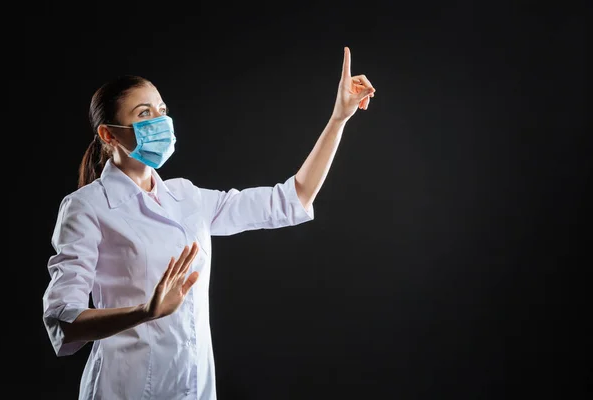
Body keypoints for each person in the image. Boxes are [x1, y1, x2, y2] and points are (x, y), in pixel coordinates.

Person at [42, 46, 376, 400]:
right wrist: (146, 311)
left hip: (195, 387)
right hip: (122, 389)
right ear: (109, 134)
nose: (160, 121)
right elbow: (63, 320)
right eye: (144, 113)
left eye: (162, 110)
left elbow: (292, 197)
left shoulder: (187, 197)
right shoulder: (87, 206)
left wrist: (339, 118)